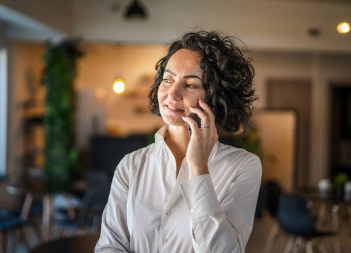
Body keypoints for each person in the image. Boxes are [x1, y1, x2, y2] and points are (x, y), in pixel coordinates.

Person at [95, 31, 262, 252]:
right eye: (168, 79)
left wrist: (198, 168)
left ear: (215, 97)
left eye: (191, 85)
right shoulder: (131, 166)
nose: (172, 93)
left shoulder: (243, 166)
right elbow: (109, 247)